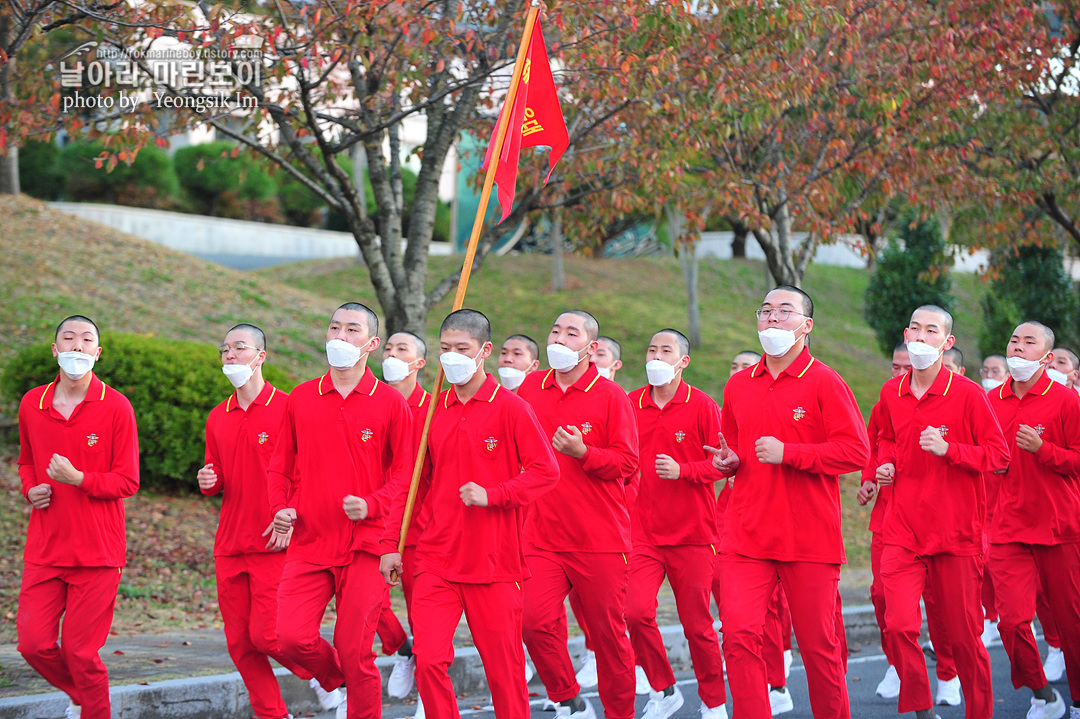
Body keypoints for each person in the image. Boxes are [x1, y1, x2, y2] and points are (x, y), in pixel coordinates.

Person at [380, 309, 559, 719]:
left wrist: (495, 495)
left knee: (505, 670)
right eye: (445, 349)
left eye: (462, 349)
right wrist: (391, 544)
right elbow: (412, 486)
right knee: (428, 661)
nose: (452, 357)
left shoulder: (511, 408)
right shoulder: (431, 412)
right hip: (435, 559)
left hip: (494, 562)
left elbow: (546, 472)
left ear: (485, 351)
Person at [709, 286, 869, 719]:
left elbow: (856, 452)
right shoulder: (739, 384)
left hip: (809, 538)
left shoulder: (825, 381)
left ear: (806, 325)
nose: (773, 318)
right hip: (747, 536)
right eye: (765, 310)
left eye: (784, 311)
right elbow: (738, 450)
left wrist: (792, 453)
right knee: (739, 638)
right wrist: (730, 461)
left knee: (819, 648)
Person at [268, 303, 414, 719]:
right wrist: (281, 509)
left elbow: (405, 475)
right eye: (335, 327)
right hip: (311, 541)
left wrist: (373, 504)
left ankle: (357, 691)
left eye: (352, 330)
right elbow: (279, 466)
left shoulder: (389, 403)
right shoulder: (301, 398)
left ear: (370, 344)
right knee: (290, 638)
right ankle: (341, 680)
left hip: (367, 544)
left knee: (356, 649)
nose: (340, 336)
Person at [199, 323, 342, 719]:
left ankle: (335, 677)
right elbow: (219, 473)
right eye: (224, 349)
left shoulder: (289, 407)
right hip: (231, 542)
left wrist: (291, 513)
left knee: (270, 636)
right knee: (240, 645)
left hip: (277, 541)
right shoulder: (217, 416)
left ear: (261, 356)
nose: (230, 355)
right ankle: (273, 714)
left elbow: (312, 471)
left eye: (239, 348)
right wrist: (209, 480)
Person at [875, 305, 1010, 719]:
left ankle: (979, 712)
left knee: (965, 639)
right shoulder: (891, 392)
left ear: (947, 342)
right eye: (915, 327)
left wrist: (950, 450)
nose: (920, 336)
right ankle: (921, 708)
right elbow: (884, 437)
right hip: (903, 529)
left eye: (931, 330)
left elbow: (999, 456)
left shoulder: (968, 394)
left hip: (956, 534)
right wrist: (885, 463)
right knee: (897, 625)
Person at [16, 315, 140, 719]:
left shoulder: (116, 406)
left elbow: (128, 481)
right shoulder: (32, 404)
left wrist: (79, 478)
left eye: (87, 340)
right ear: (55, 349)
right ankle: (85, 698)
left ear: (97, 353)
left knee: (80, 651)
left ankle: (92, 709)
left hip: (98, 551)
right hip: (46, 547)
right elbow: (25, 462)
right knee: (32, 645)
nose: (77, 346)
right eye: (68, 338)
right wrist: (30, 487)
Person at [519, 310, 640, 719]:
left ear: (591, 349)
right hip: (541, 535)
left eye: (572, 333)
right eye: (555, 330)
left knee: (608, 638)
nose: (559, 338)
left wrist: (584, 454)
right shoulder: (531, 388)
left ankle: (619, 713)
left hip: (599, 540)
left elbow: (627, 464)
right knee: (531, 623)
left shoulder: (611, 396)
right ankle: (568, 697)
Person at [625, 329, 728, 719]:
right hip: (643, 534)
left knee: (698, 626)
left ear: (683, 361)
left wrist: (683, 470)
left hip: (694, 535)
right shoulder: (630, 403)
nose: (656, 355)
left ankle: (714, 701)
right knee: (635, 613)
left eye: (665, 350)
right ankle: (664, 688)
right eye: (651, 349)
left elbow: (723, 463)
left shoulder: (701, 405)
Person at [986, 321, 1080, 719]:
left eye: (1029, 342)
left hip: (1060, 527)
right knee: (1010, 622)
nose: (1018, 347)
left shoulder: (1067, 402)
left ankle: (1077, 701)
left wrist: (1044, 450)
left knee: (1072, 623)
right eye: (1013, 340)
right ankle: (1044, 694)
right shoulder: (991, 402)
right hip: (1008, 528)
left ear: (1046, 357)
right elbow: (983, 454)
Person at [379, 331, 431, 703]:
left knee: (423, 618)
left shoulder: (434, 410)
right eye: (388, 348)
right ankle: (401, 650)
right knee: (368, 604)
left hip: (419, 530)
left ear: (419, 363)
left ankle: (430, 699)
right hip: (372, 524)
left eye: (402, 349)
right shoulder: (372, 404)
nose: (392, 355)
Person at [856, 342, 910, 700]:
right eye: (895, 366)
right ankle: (897, 664)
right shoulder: (885, 403)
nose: (900, 373)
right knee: (880, 595)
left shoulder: (948, 402)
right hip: (889, 519)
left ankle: (950, 670)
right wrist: (869, 479)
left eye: (906, 367)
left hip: (933, 522)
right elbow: (873, 448)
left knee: (938, 605)